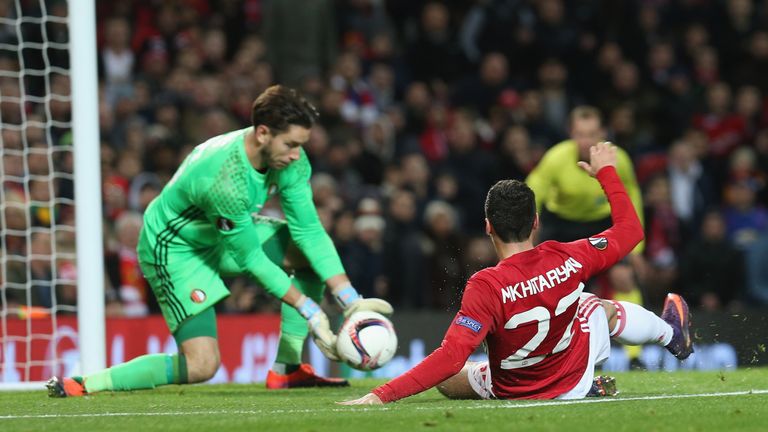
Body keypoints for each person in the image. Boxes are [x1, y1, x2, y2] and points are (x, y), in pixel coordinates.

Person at [47, 85, 391, 397]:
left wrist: (348, 299)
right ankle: (88, 383)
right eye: (291, 145)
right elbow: (252, 260)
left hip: (224, 230)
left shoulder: (289, 160)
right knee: (201, 366)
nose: (297, 155)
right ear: (262, 133)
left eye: (301, 145)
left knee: (307, 255)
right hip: (175, 248)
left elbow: (310, 232)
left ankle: (287, 370)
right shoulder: (224, 178)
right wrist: (311, 310)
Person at [340, 141, 692, 405]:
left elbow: (449, 358)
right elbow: (631, 230)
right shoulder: (569, 257)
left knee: (447, 381)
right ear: (536, 222)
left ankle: (609, 368)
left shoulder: (486, 285)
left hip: (513, 387)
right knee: (593, 307)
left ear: (488, 227)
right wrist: (607, 173)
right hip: (570, 376)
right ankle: (668, 333)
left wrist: (381, 395)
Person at [525, 105, 647, 365]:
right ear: (571, 133)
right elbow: (531, 195)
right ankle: (549, 353)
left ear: (602, 132)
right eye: (580, 133)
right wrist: (527, 240)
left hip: (602, 224)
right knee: (554, 289)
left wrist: (636, 248)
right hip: (562, 227)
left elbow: (631, 196)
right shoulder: (555, 159)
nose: (586, 140)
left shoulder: (617, 159)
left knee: (624, 278)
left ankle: (635, 358)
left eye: (592, 133)